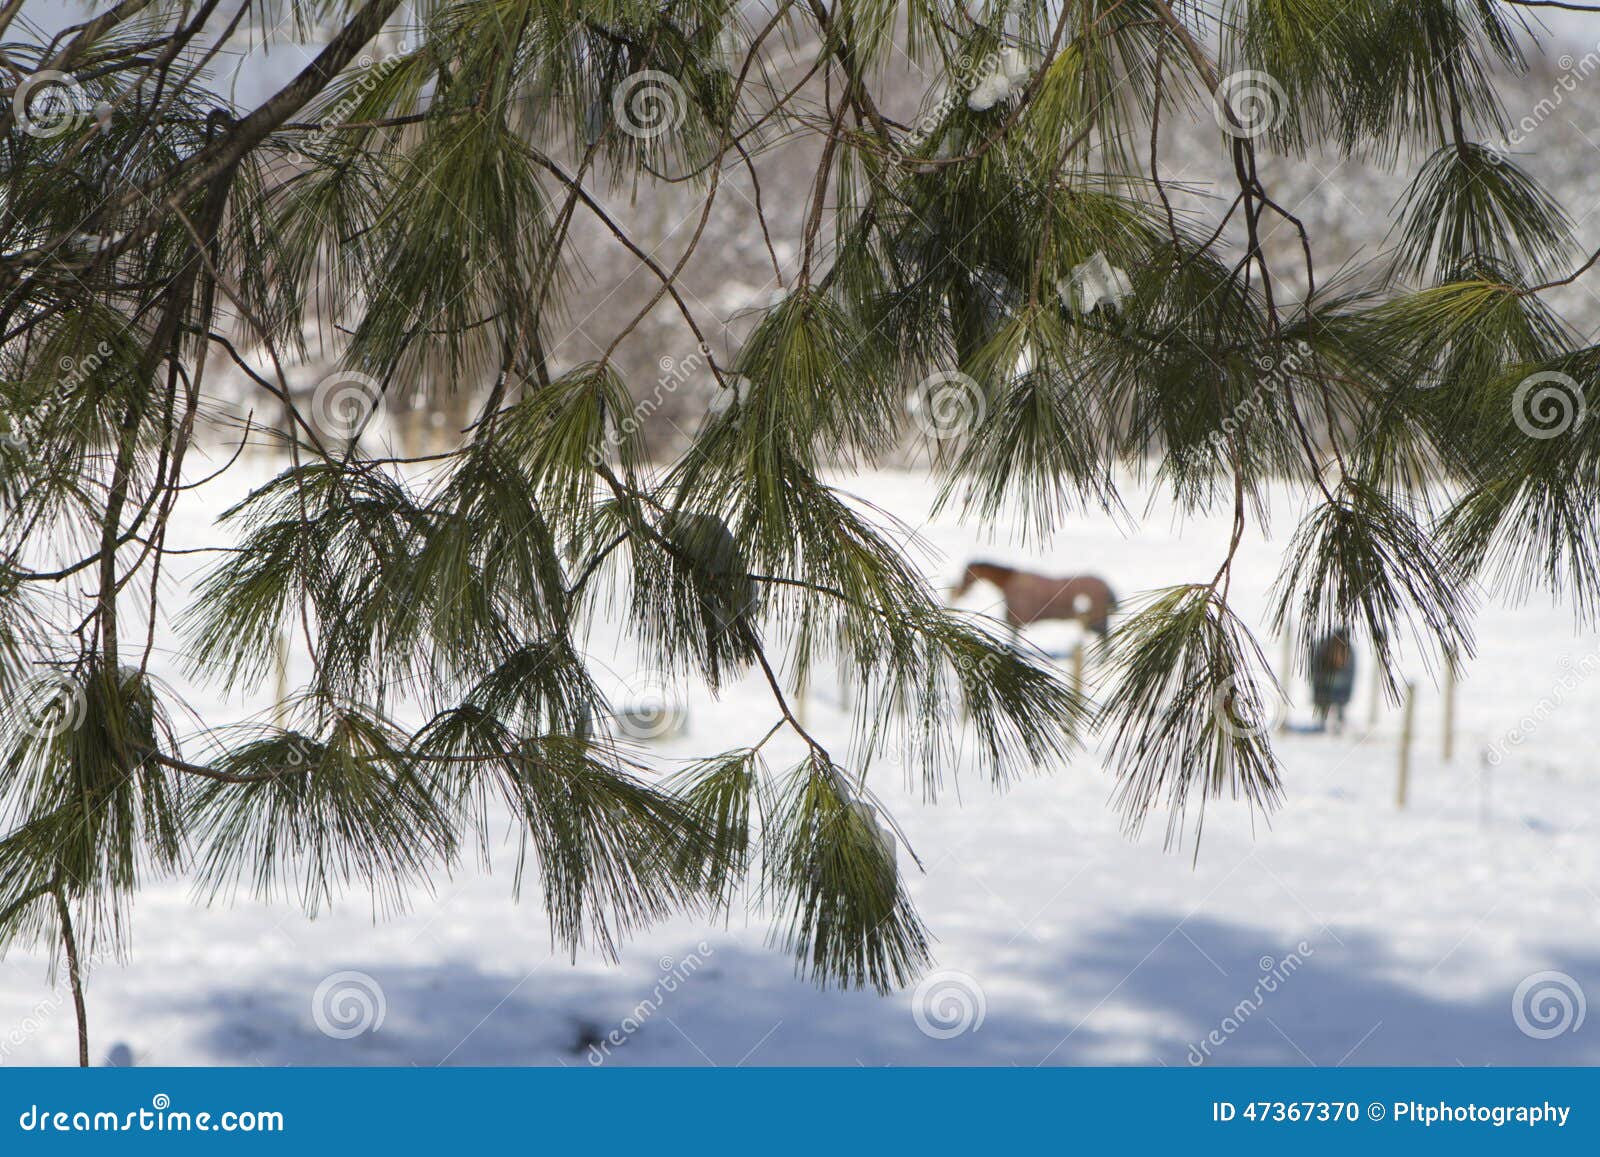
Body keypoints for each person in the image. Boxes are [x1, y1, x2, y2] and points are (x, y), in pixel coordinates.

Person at [1310, 628, 1356, 733]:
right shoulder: (1323, 648)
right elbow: (1315, 669)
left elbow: (1351, 673)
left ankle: (1340, 722)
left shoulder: (1349, 652)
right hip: (1324, 684)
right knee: (1324, 702)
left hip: (1341, 685)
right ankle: (1323, 722)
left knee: (1340, 703)